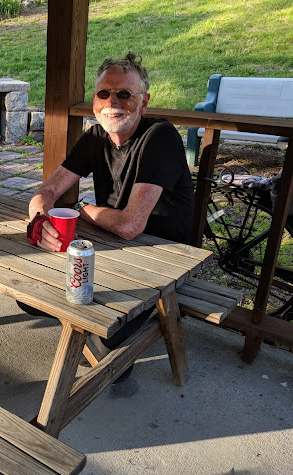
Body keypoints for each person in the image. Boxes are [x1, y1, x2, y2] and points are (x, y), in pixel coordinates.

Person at [25, 52, 194, 380]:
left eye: (124, 94)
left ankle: (95, 335)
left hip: (163, 259)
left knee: (105, 349)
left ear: (143, 103)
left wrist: (80, 210)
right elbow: (46, 192)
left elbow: (130, 225)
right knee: (29, 297)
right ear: (94, 102)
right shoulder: (95, 137)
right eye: (104, 93)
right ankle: (83, 328)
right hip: (113, 250)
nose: (113, 101)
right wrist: (39, 223)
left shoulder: (160, 137)